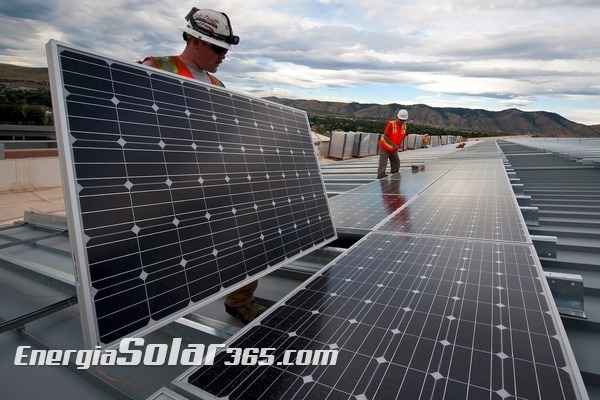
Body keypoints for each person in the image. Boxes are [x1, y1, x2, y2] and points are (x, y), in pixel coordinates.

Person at [142, 7, 266, 324]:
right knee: (167, 251)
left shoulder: (217, 85)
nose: (223, 55)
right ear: (196, 40)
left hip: (208, 180)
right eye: (218, 48)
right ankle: (151, 305)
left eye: (226, 49)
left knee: (247, 232)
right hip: (166, 184)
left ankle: (240, 300)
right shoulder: (155, 68)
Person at [377, 109, 408, 179]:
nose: (402, 121)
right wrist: (394, 145)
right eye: (401, 120)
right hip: (385, 147)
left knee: (396, 163)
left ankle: (394, 177)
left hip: (393, 149)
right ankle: (380, 179)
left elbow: (402, 136)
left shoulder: (404, 126)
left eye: (404, 120)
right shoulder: (391, 124)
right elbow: (385, 137)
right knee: (383, 165)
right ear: (397, 117)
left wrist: (399, 145)